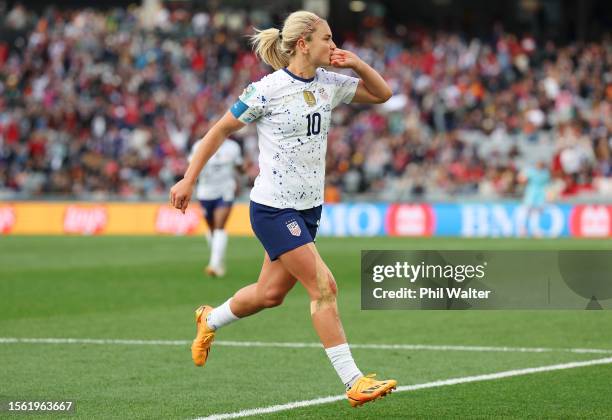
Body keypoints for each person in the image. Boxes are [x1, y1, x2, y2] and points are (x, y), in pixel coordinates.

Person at [169, 11, 397, 407]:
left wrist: (358, 63)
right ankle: (353, 381)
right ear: (304, 43)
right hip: (274, 209)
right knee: (324, 286)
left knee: (269, 294)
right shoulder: (266, 90)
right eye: (327, 38)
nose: (333, 45)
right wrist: (189, 178)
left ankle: (209, 319)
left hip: (309, 210)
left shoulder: (329, 84)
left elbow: (382, 95)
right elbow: (219, 130)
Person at [190, 138, 243, 277]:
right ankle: (219, 260)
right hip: (205, 192)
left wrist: (240, 180)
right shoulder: (198, 145)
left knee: (220, 226)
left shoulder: (233, 147)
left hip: (225, 190)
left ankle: (214, 264)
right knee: (211, 228)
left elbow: (239, 166)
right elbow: (191, 166)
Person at [518, 160, 551, 236]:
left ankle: (534, 230)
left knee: (535, 214)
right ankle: (523, 229)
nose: (539, 166)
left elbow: (548, 185)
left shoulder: (544, 173)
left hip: (538, 195)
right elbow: (522, 180)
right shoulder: (534, 172)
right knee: (526, 212)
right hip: (531, 195)